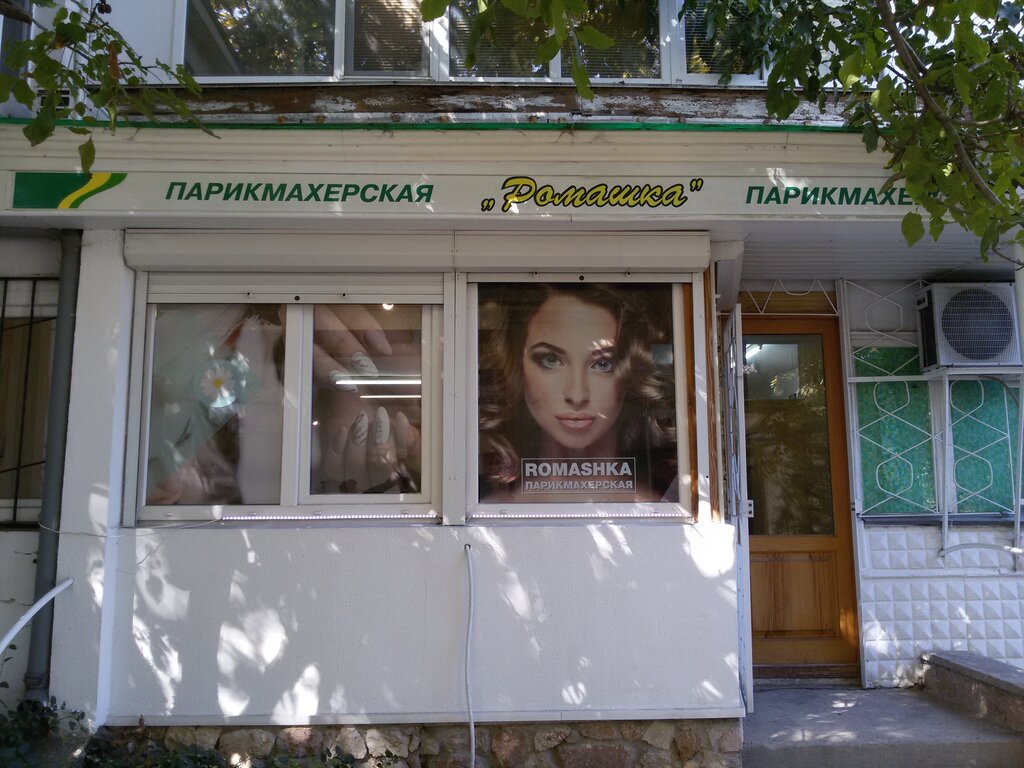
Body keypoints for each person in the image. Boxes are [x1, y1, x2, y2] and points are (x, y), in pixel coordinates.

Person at [478, 282, 677, 503]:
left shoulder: (669, 507)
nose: (577, 395)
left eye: (603, 364)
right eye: (551, 360)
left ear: (631, 373)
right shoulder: (484, 511)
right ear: (517, 365)